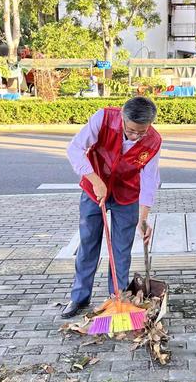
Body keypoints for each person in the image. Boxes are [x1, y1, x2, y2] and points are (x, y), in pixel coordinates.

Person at [61, 97, 162, 318]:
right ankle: (79, 297)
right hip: (94, 187)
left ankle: (116, 298)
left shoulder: (153, 141)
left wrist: (144, 218)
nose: (135, 136)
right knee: (88, 244)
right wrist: (95, 180)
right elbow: (75, 148)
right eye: (132, 130)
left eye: (141, 132)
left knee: (121, 250)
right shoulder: (104, 118)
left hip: (127, 194)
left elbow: (150, 179)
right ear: (123, 118)